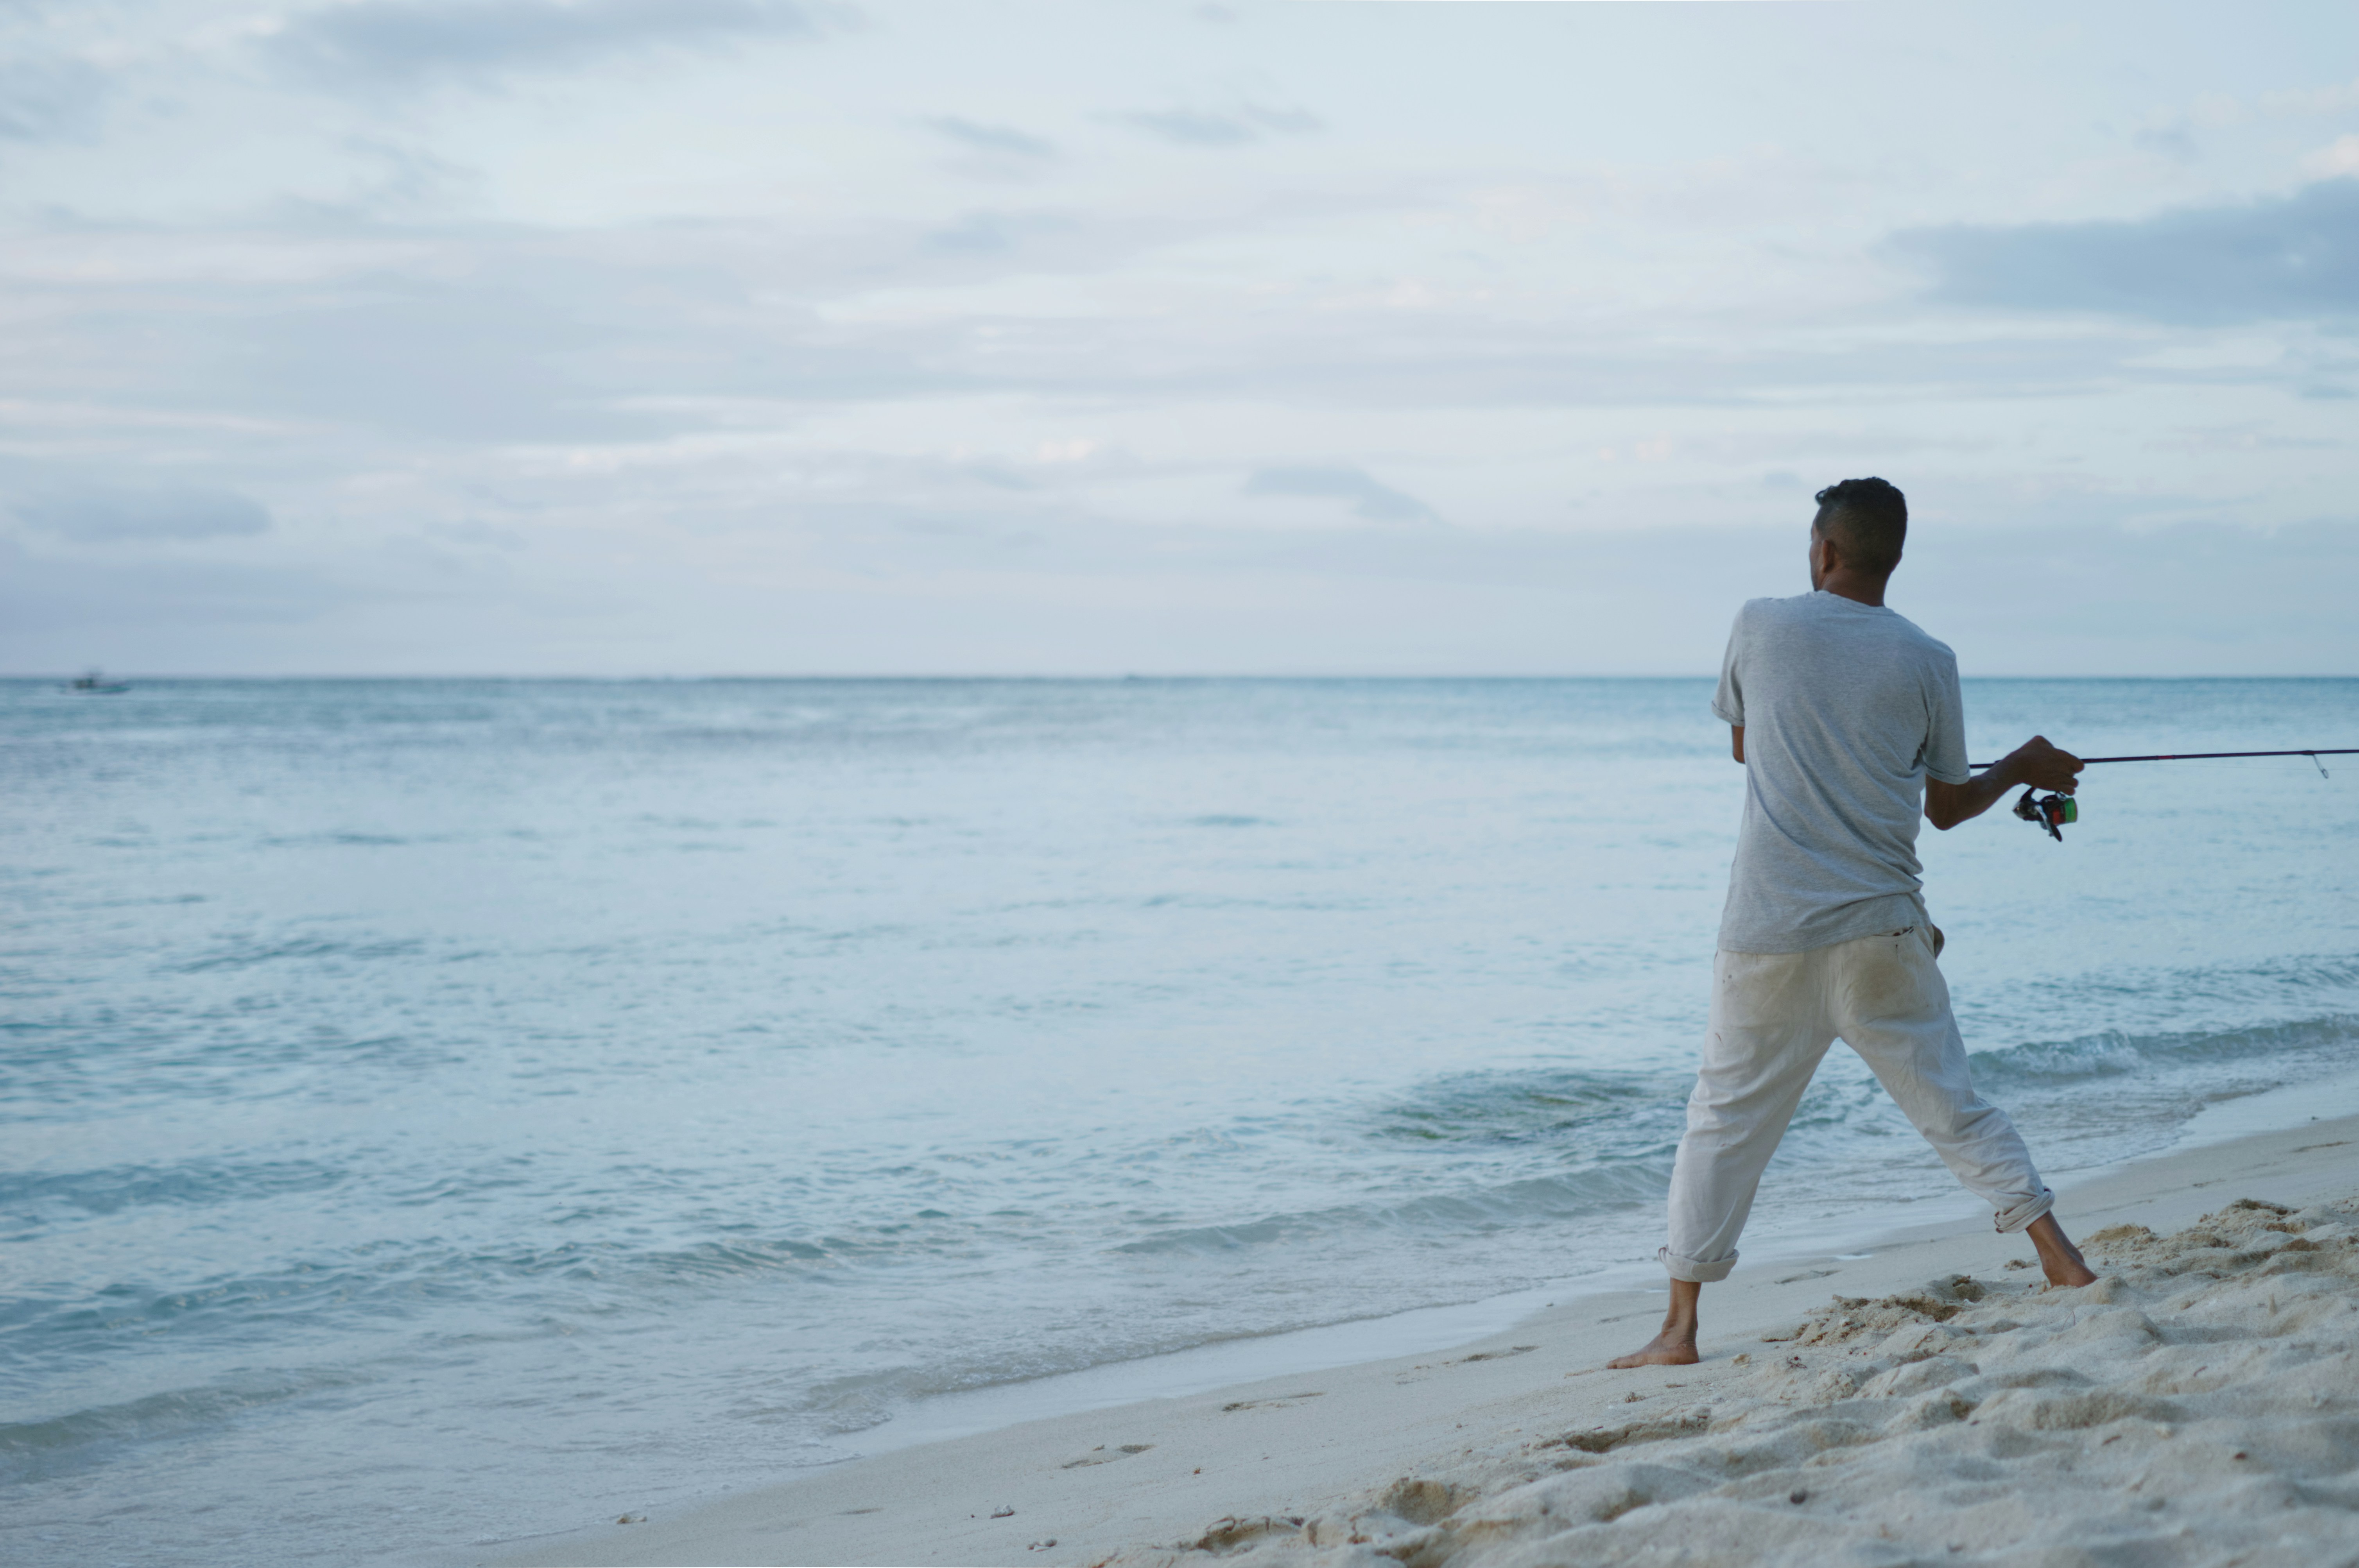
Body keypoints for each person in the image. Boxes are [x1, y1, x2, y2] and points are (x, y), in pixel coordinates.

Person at [1609, 476, 2096, 1371]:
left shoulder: (1759, 623)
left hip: (1767, 931)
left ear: (1823, 550)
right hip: (1884, 929)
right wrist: (2024, 761)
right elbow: (1947, 806)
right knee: (1954, 1105)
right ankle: (2061, 1263)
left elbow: (1744, 745)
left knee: (1721, 1123)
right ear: (1891, 557)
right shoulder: (1927, 656)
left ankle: (1678, 1330)